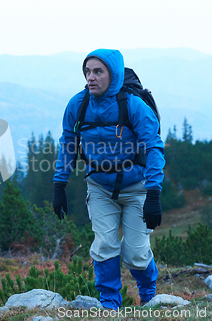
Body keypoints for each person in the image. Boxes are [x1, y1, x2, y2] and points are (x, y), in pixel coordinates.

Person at [52, 48, 165, 309]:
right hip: (100, 187)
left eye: (98, 72)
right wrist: (60, 185)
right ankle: (109, 305)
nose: (91, 77)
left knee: (136, 254)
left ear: (112, 75)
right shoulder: (77, 105)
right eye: (87, 71)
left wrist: (154, 193)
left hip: (137, 187)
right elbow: (68, 144)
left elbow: (154, 147)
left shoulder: (134, 106)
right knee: (104, 245)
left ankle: (149, 295)